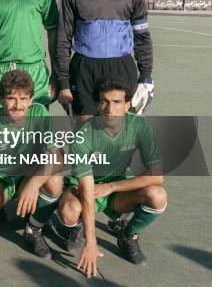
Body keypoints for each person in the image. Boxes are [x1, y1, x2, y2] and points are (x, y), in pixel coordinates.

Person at [56, 79, 166, 277]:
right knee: (68, 211)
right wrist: (91, 243)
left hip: (116, 190)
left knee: (157, 195)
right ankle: (78, 228)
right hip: (85, 188)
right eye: (104, 101)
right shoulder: (84, 133)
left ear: (127, 104)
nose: (109, 108)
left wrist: (112, 186)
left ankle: (128, 235)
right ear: (97, 104)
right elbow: (88, 190)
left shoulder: (139, 126)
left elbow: (157, 175)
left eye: (116, 102)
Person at [56, 0, 154, 120]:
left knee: (118, 140)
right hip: (84, 70)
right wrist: (63, 82)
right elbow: (63, 41)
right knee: (85, 139)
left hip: (121, 68)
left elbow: (142, 38)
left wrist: (146, 76)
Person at [0, 70, 63, 275]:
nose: (18, 105)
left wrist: (34, 183)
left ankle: (33, 229)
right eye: (11, 98)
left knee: (54, 181)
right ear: (1, 99)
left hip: (26, 173)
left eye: (23, 99)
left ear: (31, 100)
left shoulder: (39, 113)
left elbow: (58, 156)